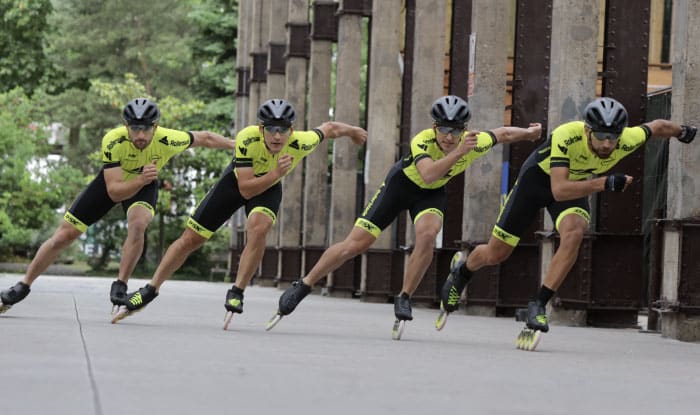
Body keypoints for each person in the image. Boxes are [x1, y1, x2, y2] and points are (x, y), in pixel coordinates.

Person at [267, 95, 542, 339]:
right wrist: (460, 151)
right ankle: (304, 285)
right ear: (434, 127)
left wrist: (529, 134)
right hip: (402, 186)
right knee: (356, 244)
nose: (448, 136)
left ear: (464, 130)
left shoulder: (475, 141)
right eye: (443, 129)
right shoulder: (423, 140)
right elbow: (428, 173)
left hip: (430, 195)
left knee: (427, 235)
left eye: (455, 131)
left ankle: (405, 296)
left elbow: (503, 134)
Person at [437, 97, 697, 343]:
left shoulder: (628, 138)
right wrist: (604, 183)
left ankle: (538, 303)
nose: (607, 144)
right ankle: (462, 271)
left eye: (613, 138)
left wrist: (685, 131)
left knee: (574, 232)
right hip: (538, 182)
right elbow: (558, 190)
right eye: (601, 137)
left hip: (574, 184)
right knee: (496, 253)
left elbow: (659, 126)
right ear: (587, 131)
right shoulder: (567, 135)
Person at [112, 98, 368, 326]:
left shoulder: (301, 142)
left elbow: (330, 128)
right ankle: (151, 289)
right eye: (271, 129)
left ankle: (237, 291)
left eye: (282, 130)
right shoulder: (247, 138)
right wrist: (277, 173)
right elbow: (246, 189)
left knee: (259, 228)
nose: (276, 136)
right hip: (236, 184)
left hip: (268, 189)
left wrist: (353, 131)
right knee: (191, 239)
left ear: (291, 131)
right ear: (261, 129)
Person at [0, 98, 236, 315]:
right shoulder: (113, 140)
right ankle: (23, 285)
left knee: (138, 225)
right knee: (64, 235)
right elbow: (114, 191)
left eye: (146, 129)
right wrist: (141, 179)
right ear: (126, 126)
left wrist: (237, 145)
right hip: (114, 182)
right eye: (135, 129)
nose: (140, 135)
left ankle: (120, 285)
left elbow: (205, 137)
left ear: (156, 127)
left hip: (144, 184)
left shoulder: (168, 138)